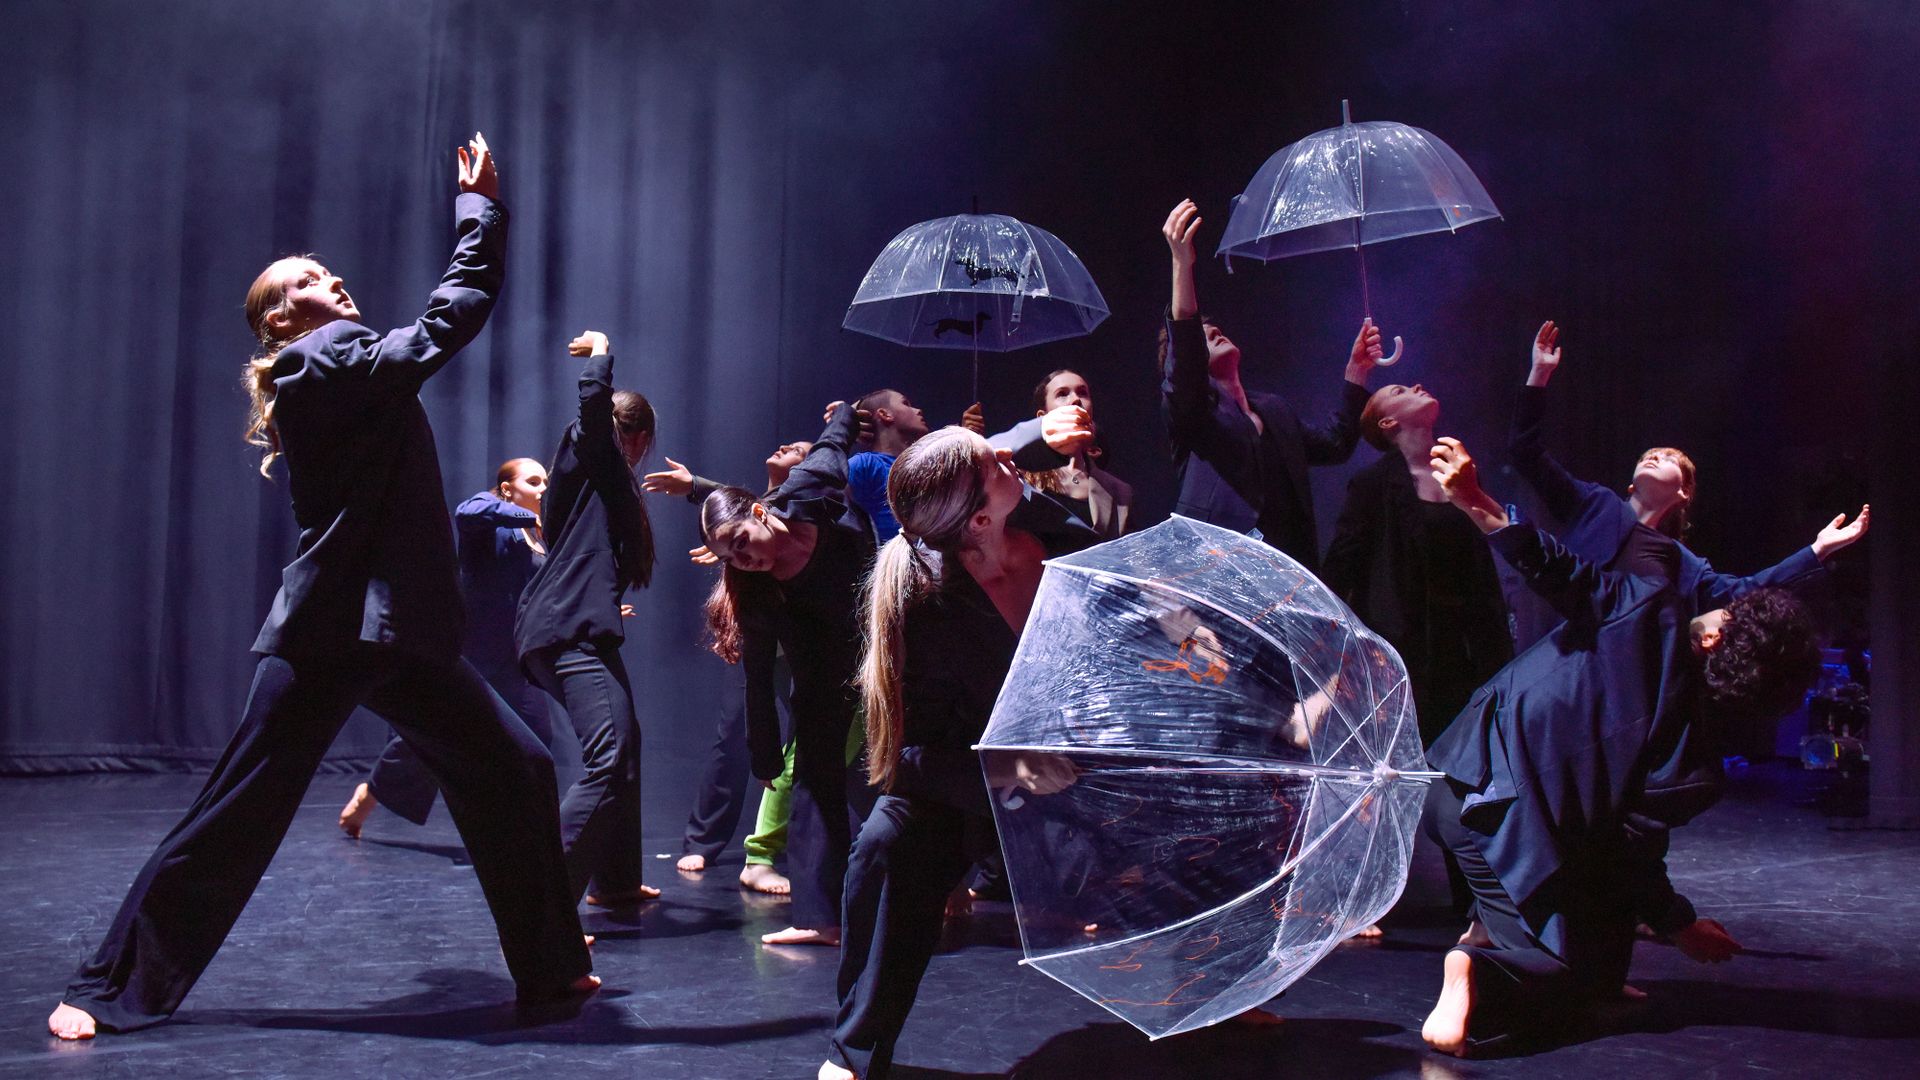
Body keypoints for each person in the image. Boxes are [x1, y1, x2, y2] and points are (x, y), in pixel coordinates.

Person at [48, 134, 595, 1041]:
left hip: (401, 629)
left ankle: (550, 967)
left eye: (327, 271)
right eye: (305, 279)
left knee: (516, 768)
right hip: (334, 630)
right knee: (240, 807)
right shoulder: (318, 358)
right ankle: (108, 987)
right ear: (278, 320)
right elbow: (445, 323)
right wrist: (480, 213)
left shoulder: (340, 366)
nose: (330, 279)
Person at [1418, 437, 1821, 1055]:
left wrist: (1473, 497)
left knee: (1597, 922)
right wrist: (1678, 924)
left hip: (1464, 779)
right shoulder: (1698, 765)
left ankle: (1559, 961)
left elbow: (1557, 568)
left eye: (1726, 615)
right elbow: (1630, 857)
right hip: (1488, 813)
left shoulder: (1648, 606)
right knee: (1562, 972)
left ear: (1716, 641)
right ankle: (1477, 966)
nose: (1716, 612)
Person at [821, 424, 1095, 1080]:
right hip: (970, 777)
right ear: (977, 520)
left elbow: (1121, 598)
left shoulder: (1052, 532)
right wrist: (1006, 767)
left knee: (1193, 789)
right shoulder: (927, 600)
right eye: (992, 463)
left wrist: (1178, 627)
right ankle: (854, 1050)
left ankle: (1220, 981)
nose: (1007, 456)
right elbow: (914, 755)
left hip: (1074, 761)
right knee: (887, 847)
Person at [1508, 320, 1869, 637]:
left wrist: (1818, 549)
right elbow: (1525, 451)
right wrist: (1539, 374)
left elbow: (1744, 590)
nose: (1654, 457)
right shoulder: (1594, 504)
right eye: (1648, 456)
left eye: (1668, 459)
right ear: (1631, 485)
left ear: (1683, 493)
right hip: (1546, 652)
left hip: (1604, 678)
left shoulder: (1678, 561)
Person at [700, 402, 876, 947]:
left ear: (759, 513)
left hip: (886, 644)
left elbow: (831, 444)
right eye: (728, 557)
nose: (741, 560)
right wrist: (764, 756)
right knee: (816, 786)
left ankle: (946, 890)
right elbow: (757, 675)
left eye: (740, 542)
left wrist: (847, 413)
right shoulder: (756, 590)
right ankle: (820, 918)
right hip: (824, 675)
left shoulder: (807, 492)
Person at [513, 328, 659, 908]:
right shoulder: (591, 451)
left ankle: (615, 882)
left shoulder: (592, 483)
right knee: (611, 758)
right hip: (567, 631)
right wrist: (600, 354)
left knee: (626, 749)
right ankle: (540, 910)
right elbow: (593, 420)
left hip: (574, 626)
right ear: (640, 439)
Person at [1159, 198, 1381, 571]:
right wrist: (1182, 264)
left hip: (1290, 566)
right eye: (1203, 336)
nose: (1214, 332)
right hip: (1221, 569)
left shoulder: (1274, 409)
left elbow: (1336, 443)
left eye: (1215, 329)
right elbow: (1185, 359)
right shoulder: (1192, 413)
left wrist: (1356, 370)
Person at [339, 457, 556, 835]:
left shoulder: (539, 538)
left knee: (537, 739)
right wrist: (524, 517)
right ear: (507, 489)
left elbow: (541, 593)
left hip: (516, 658)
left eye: (546, 483)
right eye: (534, 482)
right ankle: (371, 793)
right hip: (474, 653)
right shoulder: (489, 519)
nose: (543, 489)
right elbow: (466, 510)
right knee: (427, 740)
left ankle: (527, 831)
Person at [641, 441, 811, 894]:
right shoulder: (753, 513)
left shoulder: (802, 510)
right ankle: (705, 839)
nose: (784, 447)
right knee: (735, 731)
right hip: (760, 641)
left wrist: (695, 486)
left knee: (805, 739)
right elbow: (730, 508)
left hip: (801, 644)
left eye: (798, 449)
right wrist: (696, 488)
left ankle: (772, 851)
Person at [1323, 384, 1512, 746]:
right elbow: (1342, 564)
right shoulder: (1372, 484)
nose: (1416, 387)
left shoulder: (1462, 475)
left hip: (1462, 644)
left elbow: (1481, 563)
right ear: (1388, 423)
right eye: (1400, 390)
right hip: (1402, 646)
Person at [990, 368, 1134, 539]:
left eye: (1082, 393)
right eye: (1062, 394)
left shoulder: (1119, 491)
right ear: (1042, 416)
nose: (1076, 400)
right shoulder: (1018, 475)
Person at [846, 389, 983, 543]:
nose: (918, 410)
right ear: (885, 414)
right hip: (894, 559)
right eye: (906, 403)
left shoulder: (927, 468)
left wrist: (967, 439)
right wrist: (844, 420)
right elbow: (827, 495)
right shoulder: (865, 465)